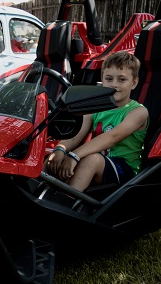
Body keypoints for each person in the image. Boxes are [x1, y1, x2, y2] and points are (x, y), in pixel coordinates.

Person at [44, 51, 148, 192]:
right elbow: (75, 136)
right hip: (95, 160)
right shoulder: (96, 107)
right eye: (109, 79)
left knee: (92, 159)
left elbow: (112, 137)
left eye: (122, 80)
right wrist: (60, 149)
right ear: (102, 80)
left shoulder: (138, 112)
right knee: (53, 157)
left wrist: (74, 155)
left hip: (125, 170)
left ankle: (66, 202)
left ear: (134, 83)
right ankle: (36, 193)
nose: (114, 85)